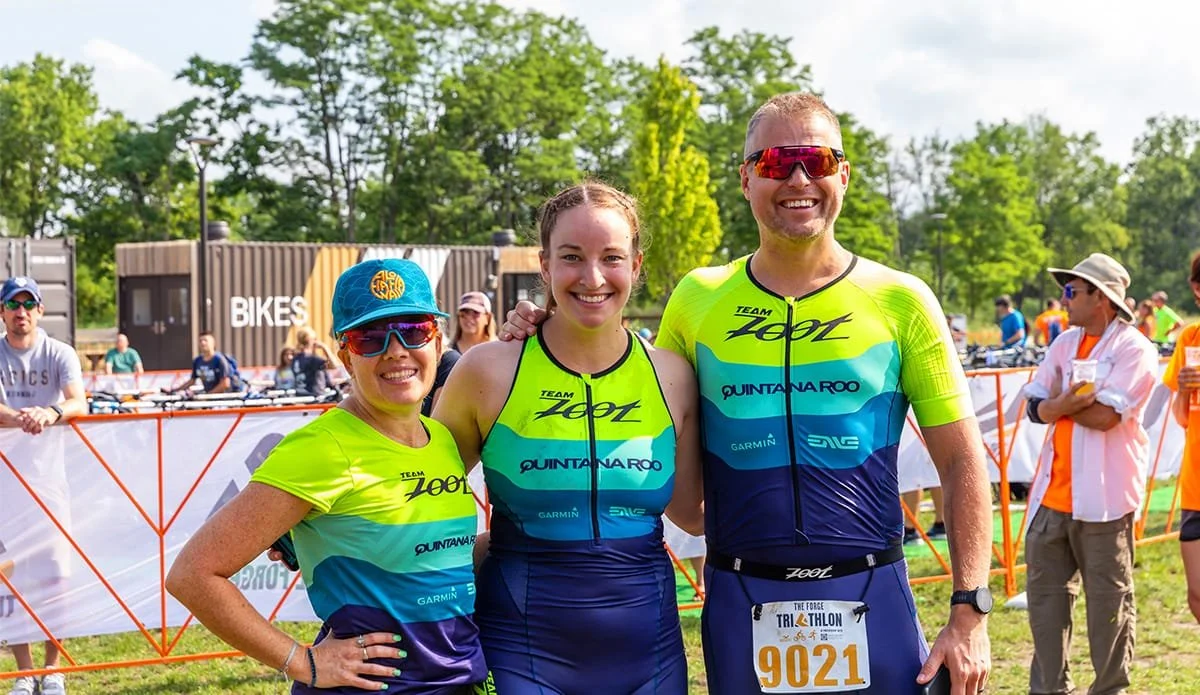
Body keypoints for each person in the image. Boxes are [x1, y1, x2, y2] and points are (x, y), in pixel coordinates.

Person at [502, 93, 993, 694]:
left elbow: (962, 460)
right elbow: (620, 367)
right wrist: (537, 328)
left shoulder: (901, 299)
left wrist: (970, 610)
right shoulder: (698, 298)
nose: (797, 178)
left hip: (872, 592)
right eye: (775, 162)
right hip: (743, 597)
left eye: (815, 159)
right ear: (745, 179)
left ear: (844, 172)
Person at [166, 258, 488, 693]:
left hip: (458, 680)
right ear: (345, 357)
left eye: (414, 330)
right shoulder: (320, 448)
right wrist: (303, 662)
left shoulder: (443, 440)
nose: (395, 350)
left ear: (437, 340)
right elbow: (192, 574)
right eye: (370, 337)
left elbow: (439, 562)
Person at [434, 181, 703, 694]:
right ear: (545, 266)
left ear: (637, 265)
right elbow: (418, 503)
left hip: (652, 657)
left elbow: (693, 513)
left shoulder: (674, 376)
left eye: (612, 257)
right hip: (522, 652)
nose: (593, 277)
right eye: (572, 257)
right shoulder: (487, 370)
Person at [1020, 253, 1158, 695]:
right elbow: (1034, 407)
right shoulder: (1063, 343)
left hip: (1105, 501)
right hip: (1050, 500)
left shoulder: (1134, 348)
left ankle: (1109, 690)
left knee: (1109, 609)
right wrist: (1071, 402)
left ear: (1101, 298)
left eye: (1071, 292)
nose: (1064, 301)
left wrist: (1060, 403)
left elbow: (1106, 419)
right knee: (1045, 608)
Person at [0, 277, 87, 695]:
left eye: (28, 304)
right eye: (13, 305)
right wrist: (20, 418)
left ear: (39, 311)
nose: (21, 313)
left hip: (51, 481)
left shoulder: (59, 352)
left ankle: (54, 669)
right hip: (6, 483)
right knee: (11, 576)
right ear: (2, 312)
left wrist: (51, 412)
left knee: (56, 575)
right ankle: (23, 671)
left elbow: (78, 401)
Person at [1163, 250, 1200, 624]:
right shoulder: (1190, 338)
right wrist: (1186, 391)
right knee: (1197, 596)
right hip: (1195, 485)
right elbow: (1181, 418)